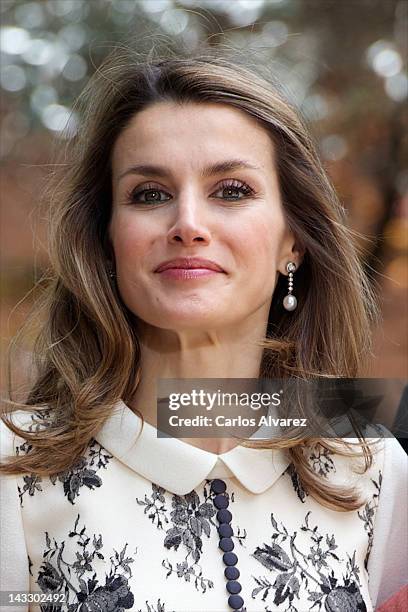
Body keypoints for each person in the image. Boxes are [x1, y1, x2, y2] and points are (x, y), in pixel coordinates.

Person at [1, 45, 407, 612]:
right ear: (107, 241)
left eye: (232, 191)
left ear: (293, 241)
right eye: (150, 194)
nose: (188, 223)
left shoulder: (371, 465)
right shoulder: (13, 467)